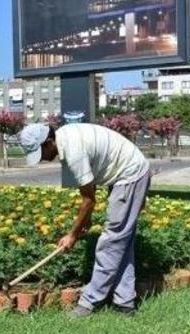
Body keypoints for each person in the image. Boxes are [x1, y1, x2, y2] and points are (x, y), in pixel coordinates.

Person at [19, 122, 151, 318]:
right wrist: (85, 221)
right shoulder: (65, 138)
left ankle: (89, 302)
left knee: (111, 241)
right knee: (121, 240)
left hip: (130, 175)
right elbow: (90, 188)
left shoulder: (73, 152)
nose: (43, 160)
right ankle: (124, 303)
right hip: (125, 174)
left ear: (48, 142)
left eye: (40, 154)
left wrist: (72, 235)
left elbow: (88, 199)